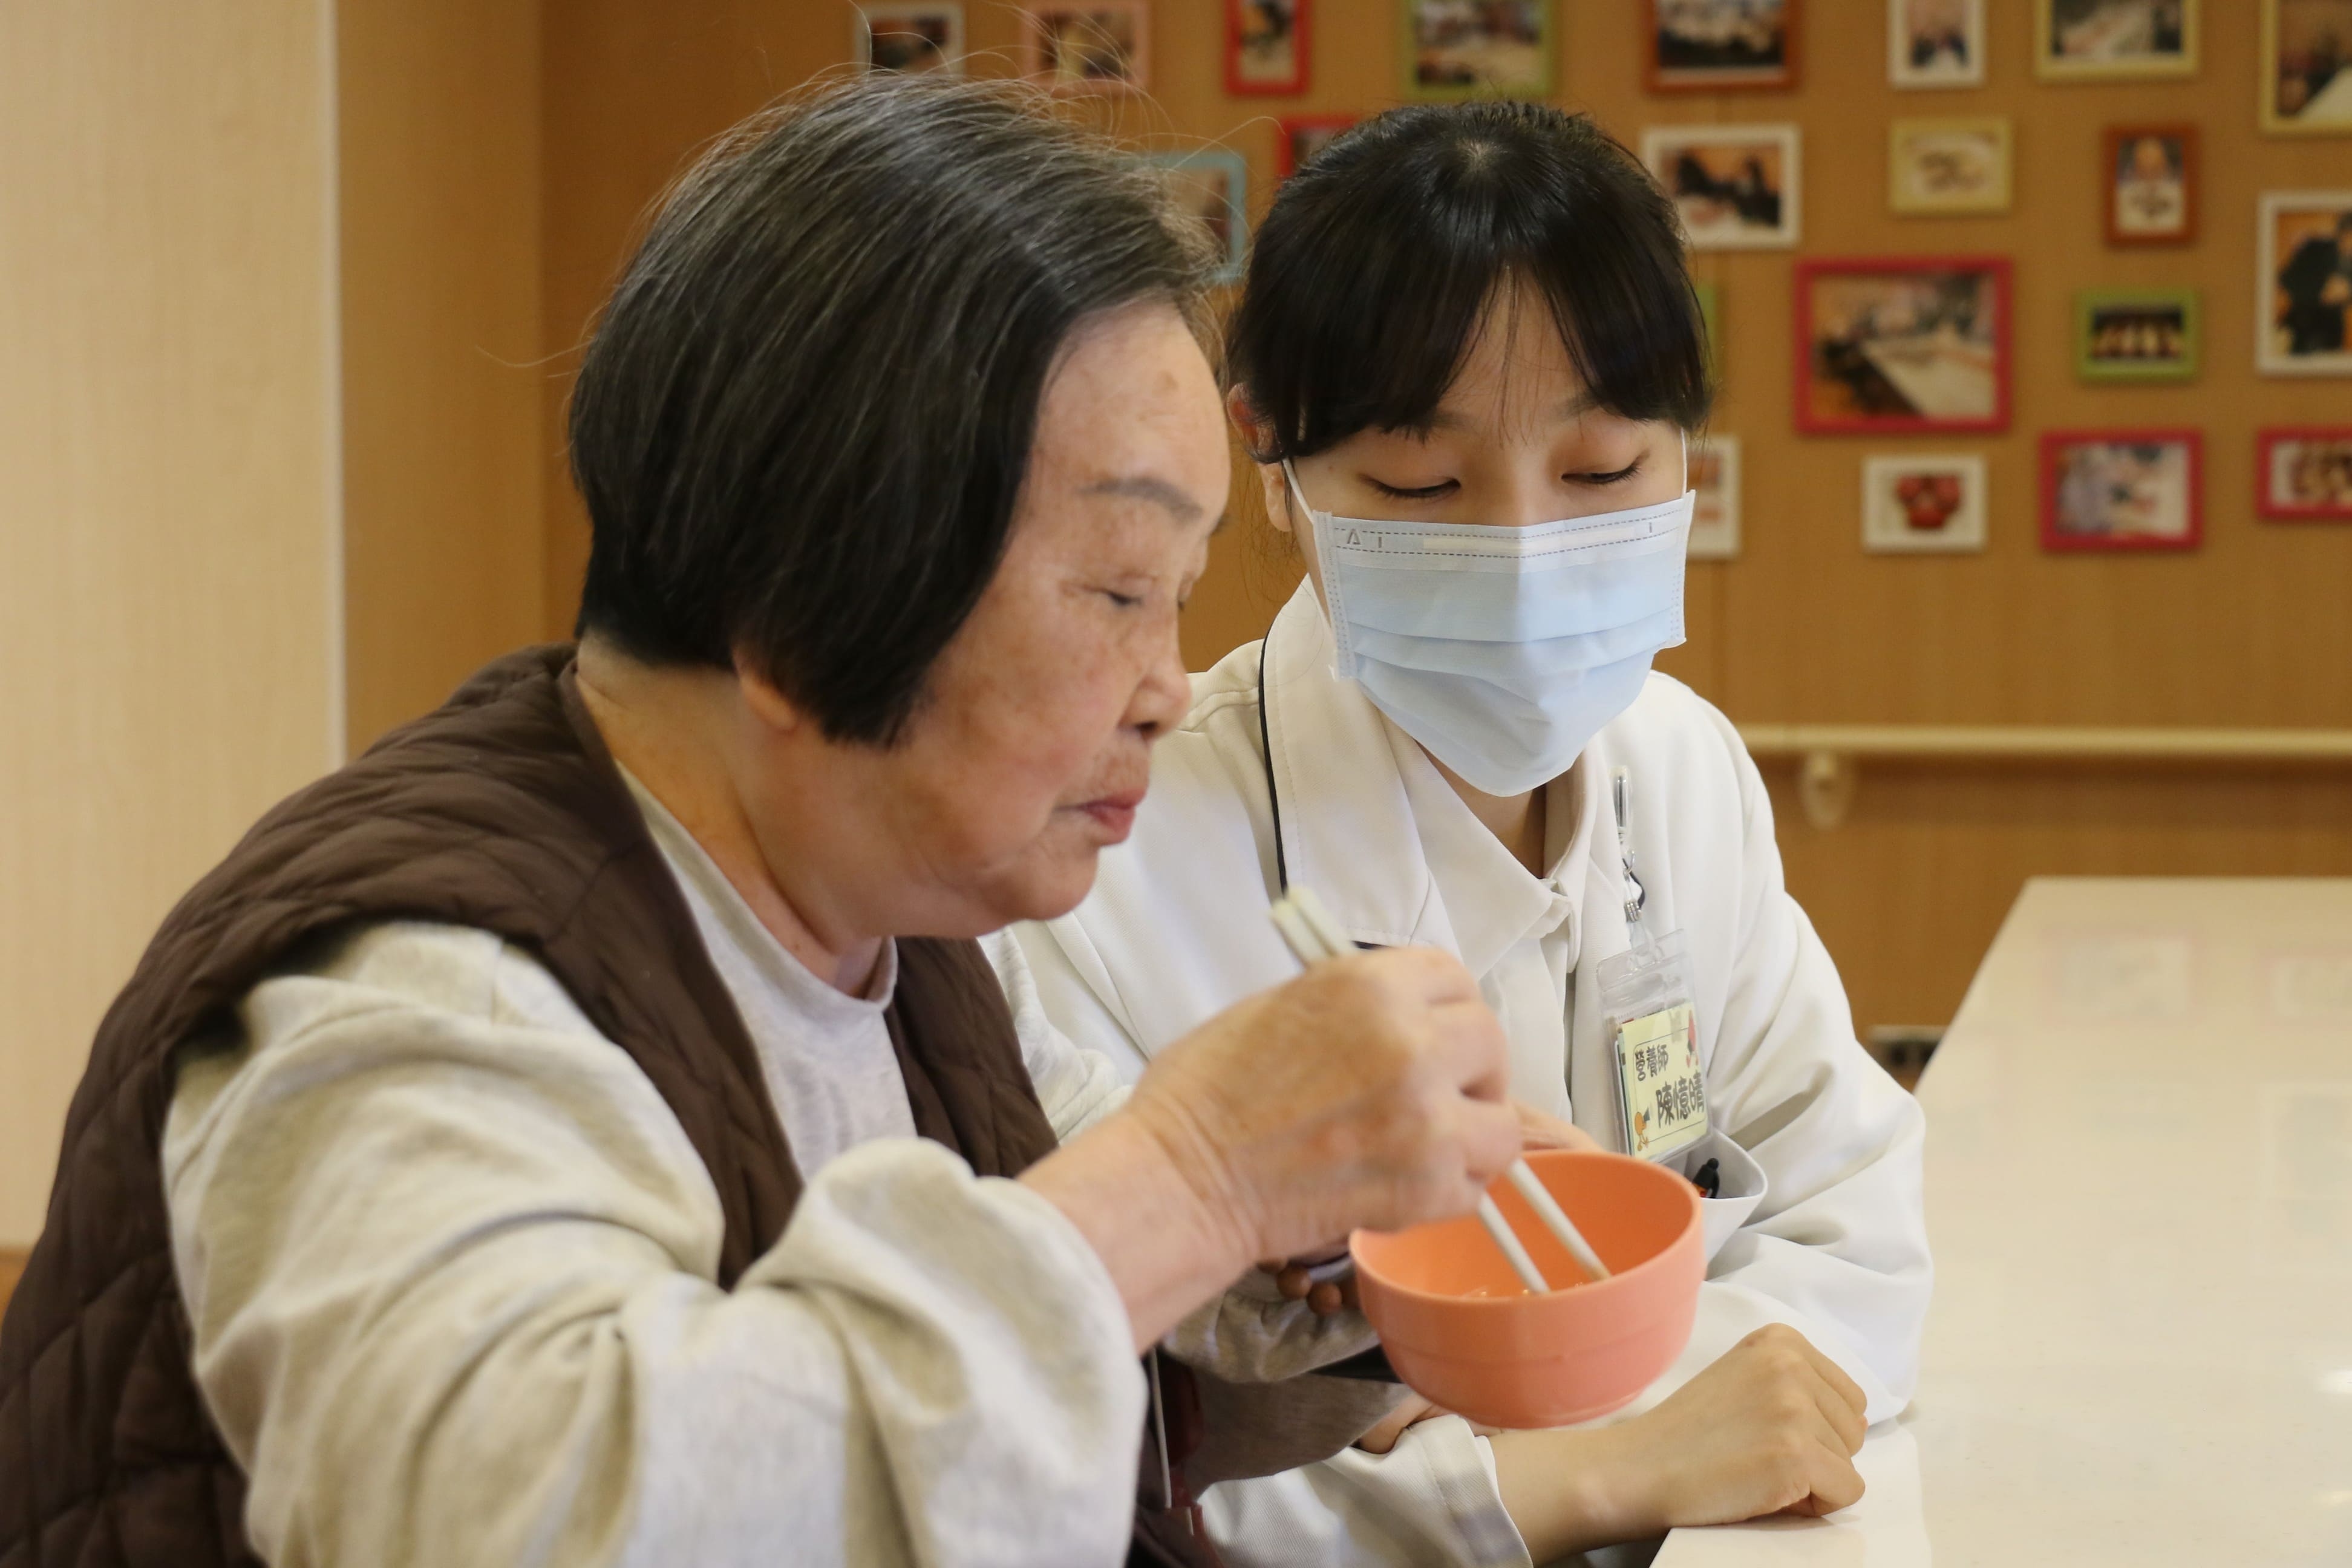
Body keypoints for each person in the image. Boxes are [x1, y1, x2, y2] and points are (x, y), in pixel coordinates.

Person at [0, 78, 1546, 1568]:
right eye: (1118, 588)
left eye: (1184, 597)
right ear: (811, 600)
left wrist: (1341, 1222)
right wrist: (1201, 1170)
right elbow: (525, 1520)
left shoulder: (894, 930)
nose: (1166, 686)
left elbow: (1098, 1337)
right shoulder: (421, 993)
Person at [1005, 102, 1932, 1566]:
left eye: (1602, 472)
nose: (1517, 557)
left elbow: (1854, 1220)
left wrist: (1616, 1430)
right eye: (1421, 489)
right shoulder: (1111, 855)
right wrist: (1590, 1466)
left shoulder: (1678, 770)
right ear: (1277, 465)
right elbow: (1101, 1462)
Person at [2278, 211, 2352, 357]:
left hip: (2333, 333)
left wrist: (2348, 292)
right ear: (2342, 234)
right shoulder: (2314, 248)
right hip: (2302, 326)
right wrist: (2321, 293)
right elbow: (2287, 280)